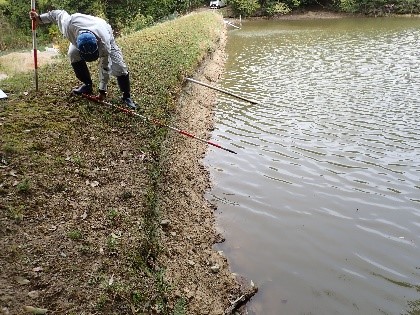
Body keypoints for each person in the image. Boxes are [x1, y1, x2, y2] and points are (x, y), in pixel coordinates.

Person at [30, 9, 138, 110]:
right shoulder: (68, 24)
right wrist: (39, 18)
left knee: (119, 67)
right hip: (81, 34)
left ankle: (126, 96)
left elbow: (105, 66)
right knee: (72, 54)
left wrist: (102, 90)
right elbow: (57, 14)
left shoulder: (104, 44)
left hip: (103, 30)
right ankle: (87, 85)